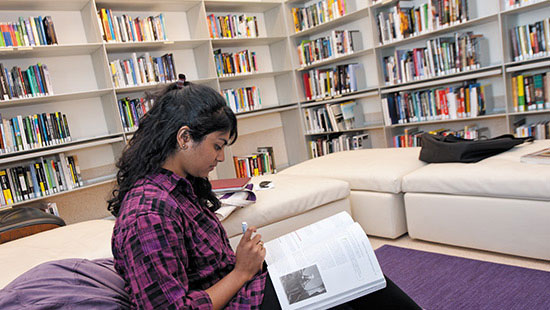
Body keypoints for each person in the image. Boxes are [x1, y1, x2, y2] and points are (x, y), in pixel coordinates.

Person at [109, 77, 421, 309]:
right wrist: (242, 272)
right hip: (242, 300)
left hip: (247, 292)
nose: (220, 158)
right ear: (184, 138)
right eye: (217, 146)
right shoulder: (148, 212)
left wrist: (244, 263)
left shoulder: (179, 188)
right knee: (342, 287)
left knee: (359, 275)